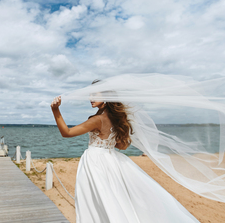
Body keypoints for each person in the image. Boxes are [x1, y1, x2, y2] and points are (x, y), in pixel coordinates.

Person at [51, 89, 199, 222]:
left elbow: (67, 133)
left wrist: (55, 110)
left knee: (94, 202)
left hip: (95, 162)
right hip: (112, 161)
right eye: (90, 94)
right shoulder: (117, 119)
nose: (91, 97)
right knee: (115, 200)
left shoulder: (97, 119)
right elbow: (122, 145)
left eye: (95, 94)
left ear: (107, 97)